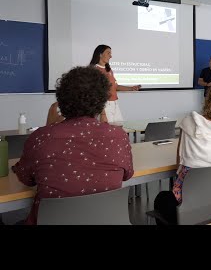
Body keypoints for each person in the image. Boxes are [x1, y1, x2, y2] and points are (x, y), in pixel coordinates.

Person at [12, 66, 134, 225]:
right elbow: (127, 174)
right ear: (102, 100)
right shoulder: (118, 136)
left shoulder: (42, 137)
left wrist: (48, 127)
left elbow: (26, 178)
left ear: (62, 99)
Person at [153, 80, 211, 225]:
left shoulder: (189, 123)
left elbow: (180, 163)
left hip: (187, 206)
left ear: (209, 100)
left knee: (161, 199)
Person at [89, 45, 141, 122]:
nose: (111, 56)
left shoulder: (109, 70)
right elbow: (96, 93)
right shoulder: (94, 70)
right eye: (108, 53)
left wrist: (131, 88)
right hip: (104, 105)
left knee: (119, 128)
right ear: (100, 54)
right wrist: (103, 114)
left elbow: (115, 87)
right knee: (107, 131)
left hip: (115, 103)